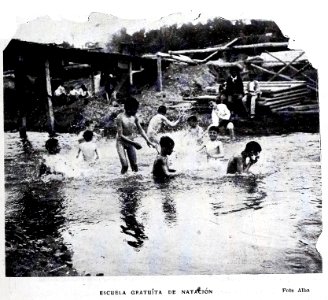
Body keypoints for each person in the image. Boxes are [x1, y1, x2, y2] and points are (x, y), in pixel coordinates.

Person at [116, 97, 155, 174]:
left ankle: (136, 181)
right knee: (125, 166)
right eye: (135, 109)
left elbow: (141, 130)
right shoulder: (120, 117)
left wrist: (148, 141)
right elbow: (120, 135)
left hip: (130, 142)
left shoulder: (134, 117)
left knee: (134, 165)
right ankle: (122, 180)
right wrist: (134, 144)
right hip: (121, 142)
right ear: (128, 109)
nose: (136, 111)